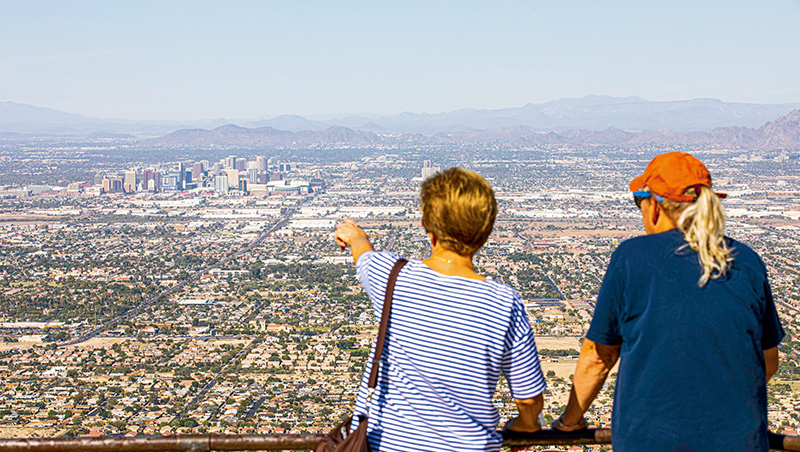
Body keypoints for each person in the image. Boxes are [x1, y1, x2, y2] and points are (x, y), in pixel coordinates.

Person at [553, 152, 784, 451]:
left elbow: (599, 357)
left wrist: (570, 422)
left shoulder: (632, 258)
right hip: (739, 441)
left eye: (640, 202)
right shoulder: (747, 262)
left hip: (650, 441)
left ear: (656, 207)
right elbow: (767, 361)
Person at [334, 167, 546, 452]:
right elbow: (529, 398)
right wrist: (526, 425)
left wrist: (354, 235)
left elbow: (364, 254)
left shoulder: (390, 276)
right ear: (485, 232)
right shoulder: (504, 303)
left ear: (426, 226)